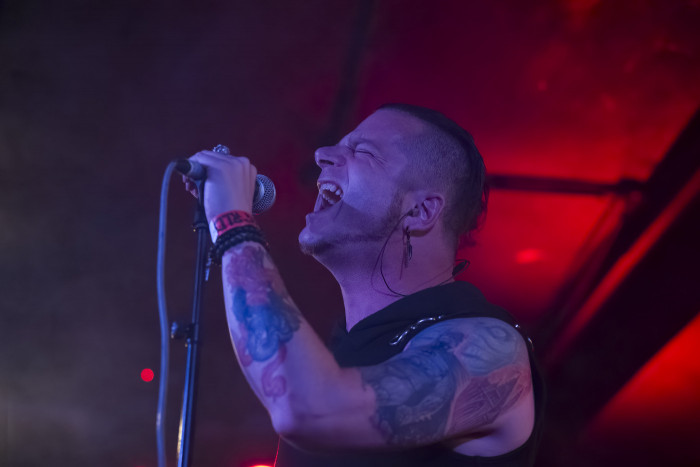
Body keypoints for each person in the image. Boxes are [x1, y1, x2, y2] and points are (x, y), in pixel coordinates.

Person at [185, 104, 544, 466]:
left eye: (363, 151)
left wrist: (232, 222)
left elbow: (305, 409)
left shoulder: (491, 350)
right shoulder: (334, 358)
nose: (322, 155)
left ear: (421, 212)